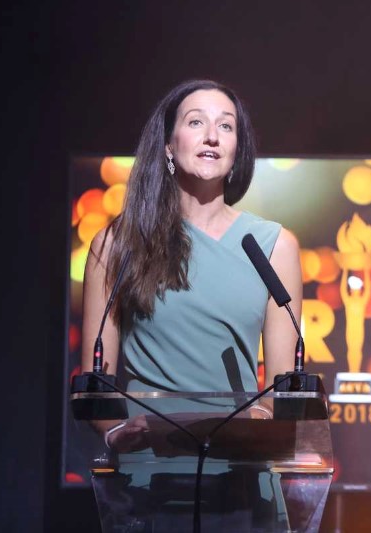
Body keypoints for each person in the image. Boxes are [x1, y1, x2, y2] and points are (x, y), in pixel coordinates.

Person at [80, 79, 302, 451]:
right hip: (148, 464)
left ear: (237, 149)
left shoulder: (274, 247)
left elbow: (281, 392)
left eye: (226, 126)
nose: (212, 136)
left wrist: (257, 419)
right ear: (168, 144)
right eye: (196, 122)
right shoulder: (119, 243)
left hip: (237, 466)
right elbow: (94, 385)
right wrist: (117, 431)